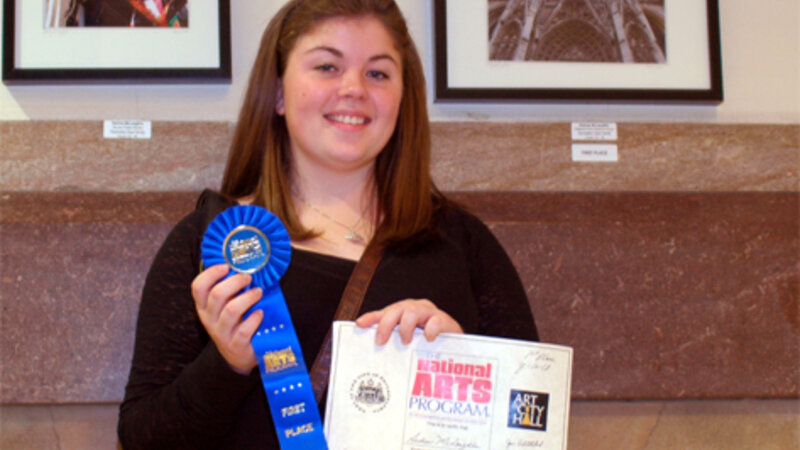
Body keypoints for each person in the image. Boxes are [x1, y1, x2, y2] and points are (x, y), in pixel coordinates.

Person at [117, 0, 538, 448]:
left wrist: (464, 363)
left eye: (377, 73)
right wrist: (228, 362)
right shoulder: (209, 241)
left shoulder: (463, 242)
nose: (354, 88)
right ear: (278, 92)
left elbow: (534, 422)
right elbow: (143, 439)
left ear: (402, 97)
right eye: (326, 67)